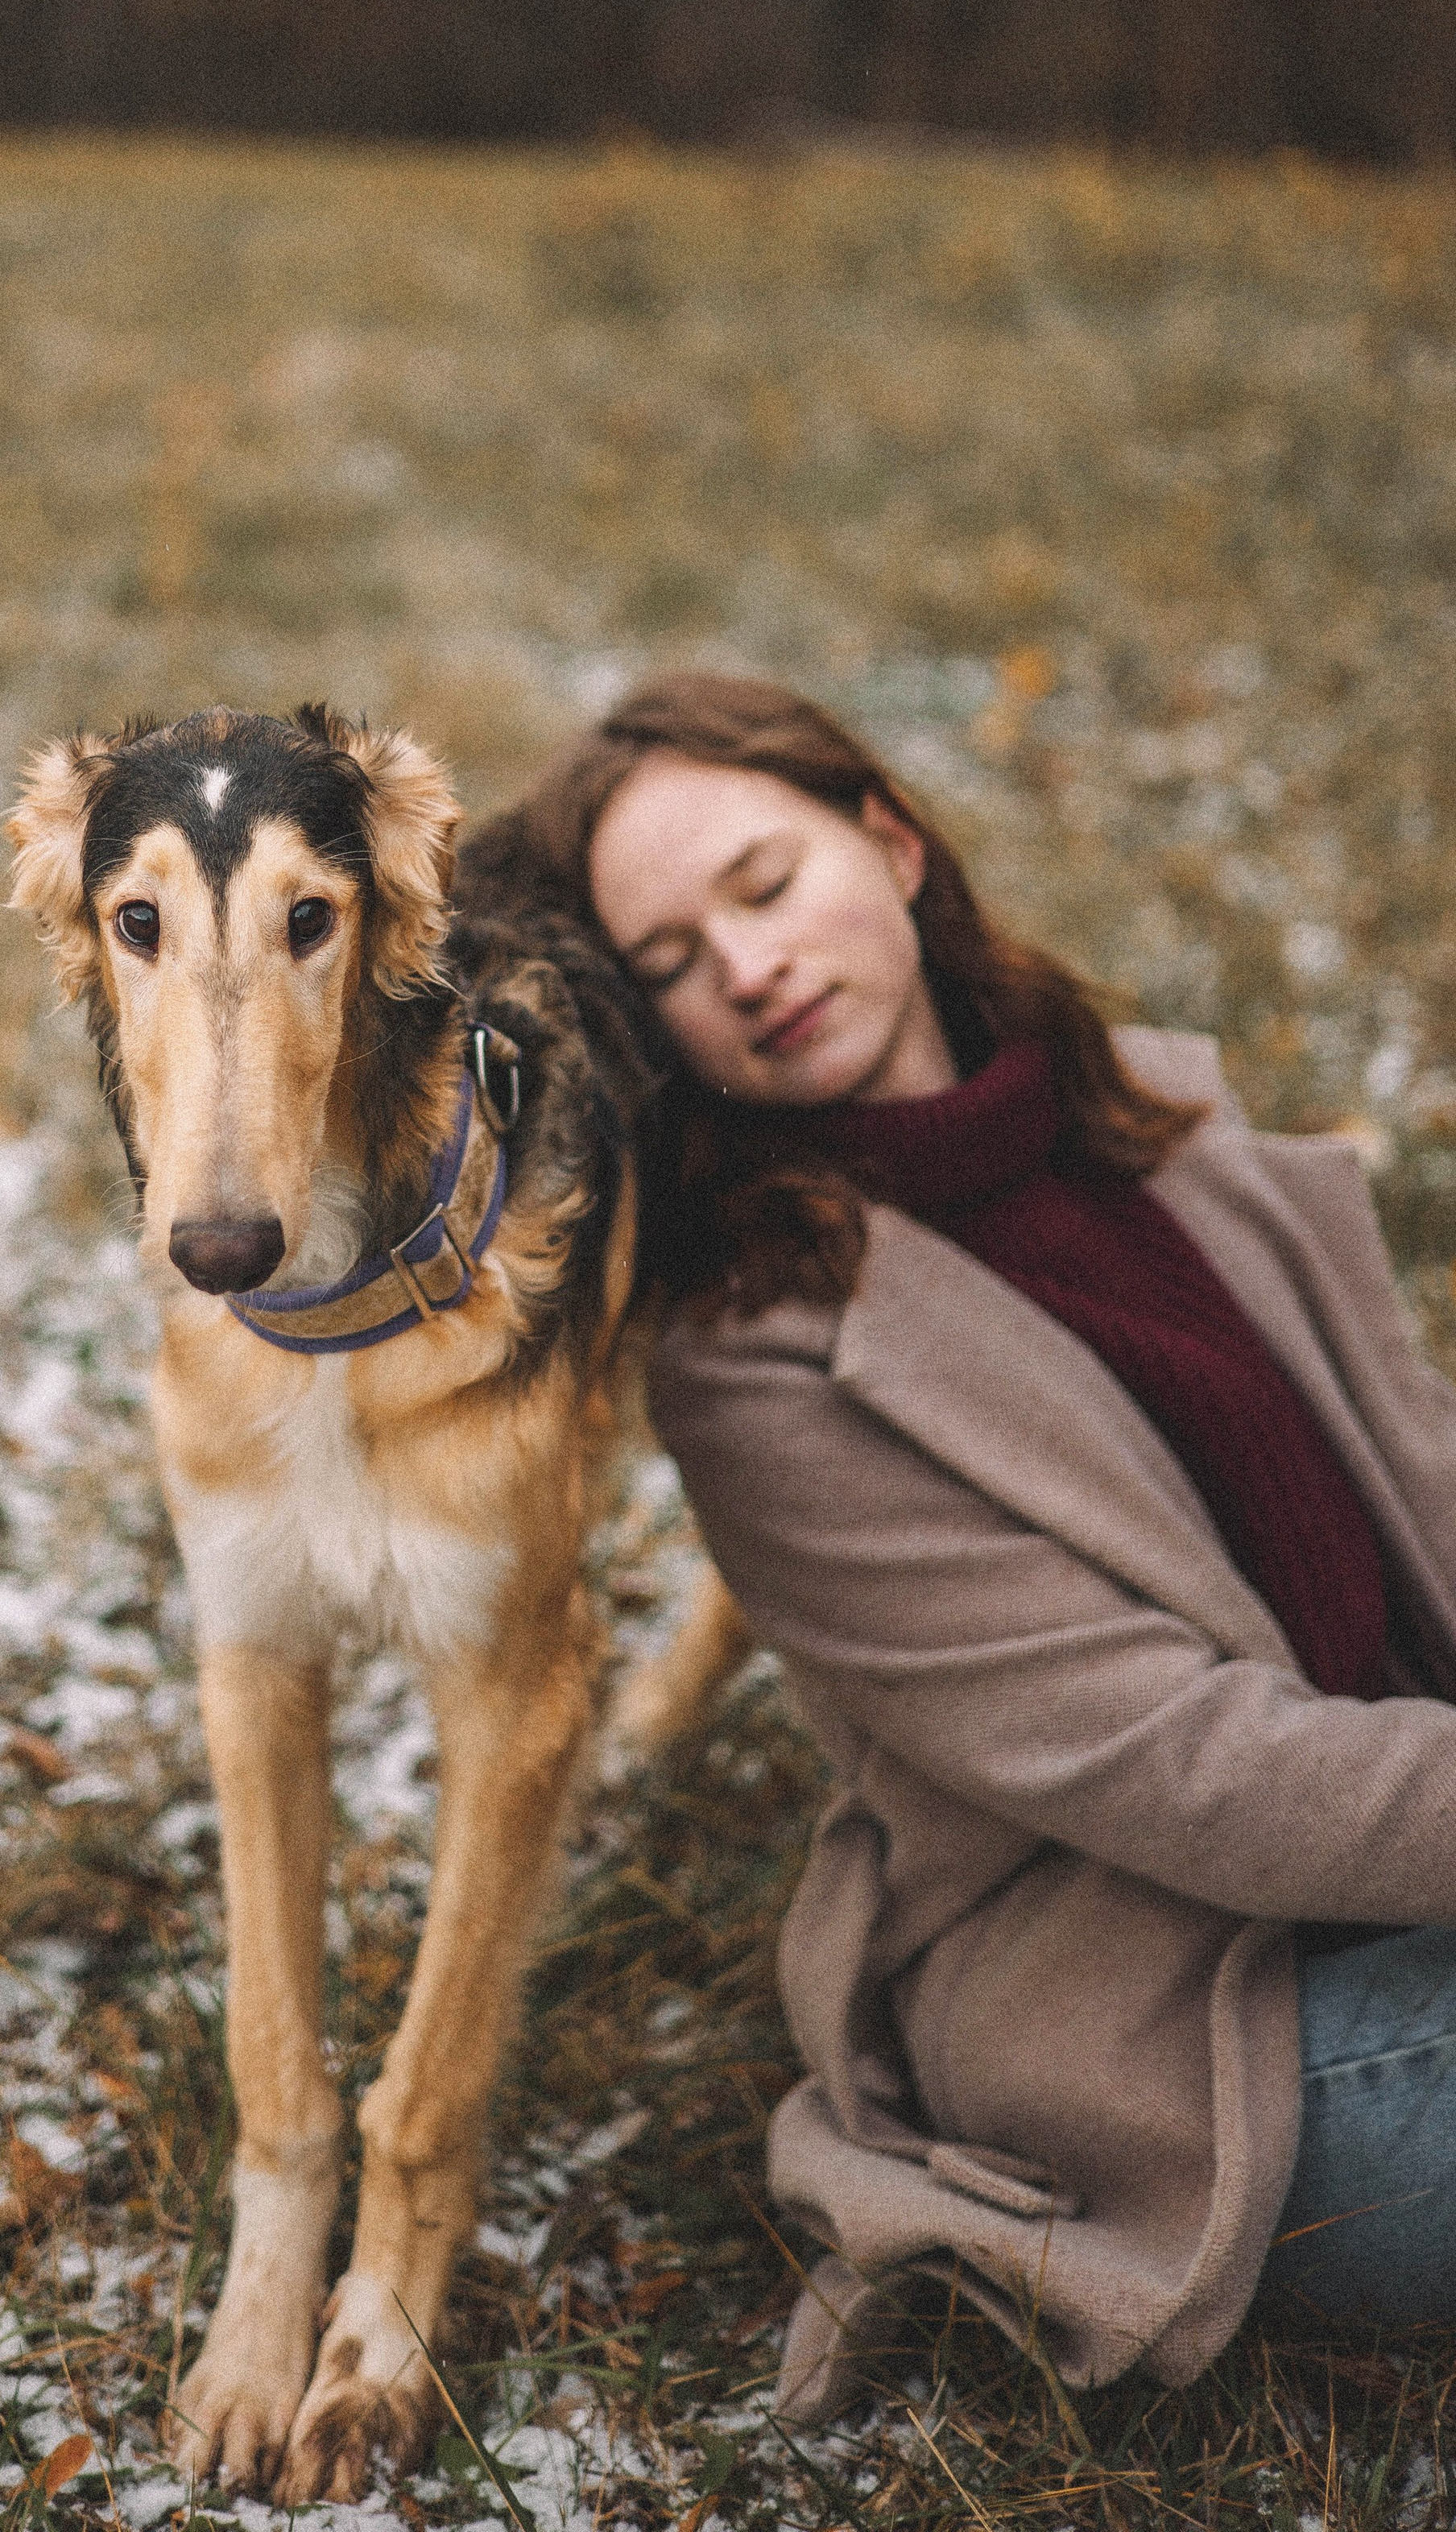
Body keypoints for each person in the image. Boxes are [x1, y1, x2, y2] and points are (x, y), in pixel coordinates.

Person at [477, 669, 1456, 2424]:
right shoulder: (763, 1362)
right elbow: (1191, 1775)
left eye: (761, 889)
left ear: (890, 839)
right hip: (1193, 2029)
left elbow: (1424, 1481)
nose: (747, 972)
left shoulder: (1157, 1125)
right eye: (672, 967)